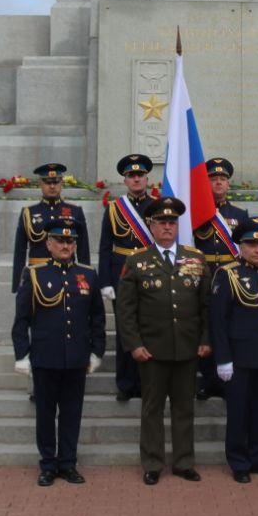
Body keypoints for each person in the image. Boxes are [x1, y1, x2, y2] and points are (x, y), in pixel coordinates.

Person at [116, 196, 212, 485]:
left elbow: (206, 305)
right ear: (152, 225)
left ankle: (184, 462)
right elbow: (126, 309)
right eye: (162, 223)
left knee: (184, 408)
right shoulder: (136, 261)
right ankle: (153, 463)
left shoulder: (196, 259)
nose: (167, 227)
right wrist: (134, 345)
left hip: (186, 347)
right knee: (152, 409)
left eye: (172, 222)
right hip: (152, 350)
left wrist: (205, 339)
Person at [11, 221, 105, 486]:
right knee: (45, 414)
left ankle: (68, 463)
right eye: (60, 242)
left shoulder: (88, 274)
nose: (65, 246)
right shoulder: (34, 274)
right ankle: (48, 465)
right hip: (45, 357)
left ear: (75, 245)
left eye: (70, 242)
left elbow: (97, 318)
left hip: (76, 358)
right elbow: (22, 319)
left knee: (72, 413)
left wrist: (97, 352)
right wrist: (21, 354)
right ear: (49, 245)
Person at [211, 218, 258, 483]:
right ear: (240, 246)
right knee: (239, 412)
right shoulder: (227, 273)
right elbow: (218, 320)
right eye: (251, 244)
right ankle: (239, 462)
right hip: (240, 357)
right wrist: (223, 359)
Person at [99, 153, 155, 402]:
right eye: (131, 175)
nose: (136, 179)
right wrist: (105, 281)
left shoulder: (157, 206)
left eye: (140, 175)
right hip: (121, 272)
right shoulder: (113, 208)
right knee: (125, 329)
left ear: (147, 178)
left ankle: (144, 383)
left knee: (148, 327)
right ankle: (125, 383)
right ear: (125, 179)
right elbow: (104, 246)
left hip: (150, 271)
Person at [192, 157, 248, 400]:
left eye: (222, 179)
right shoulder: (196, 211)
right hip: (203, 277)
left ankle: (225, 380)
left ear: (228, 184)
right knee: (204, 327)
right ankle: (207, 380)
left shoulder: (239, 213)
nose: (218, 183)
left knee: (226, 327)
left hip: (229, 279)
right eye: (213, 179)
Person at [12, 163, 90, 293]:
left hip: (67, 274)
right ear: (40, 184)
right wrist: (18, 284)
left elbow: (83, 251)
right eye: (48, 182)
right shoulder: (29, 213)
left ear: (61, 183)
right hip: (37, 274)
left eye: (56, 182)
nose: (52, 186)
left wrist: (85, 281)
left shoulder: (75, 212)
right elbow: (19, 252)